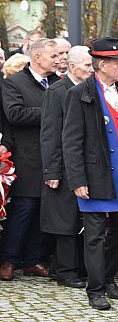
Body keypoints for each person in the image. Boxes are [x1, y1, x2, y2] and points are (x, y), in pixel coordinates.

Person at [62, 37, 118, 310]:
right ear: (103, 64)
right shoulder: (79, 93)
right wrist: (78, 180)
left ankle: (108, 277)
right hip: (94, 175)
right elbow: (71, 141)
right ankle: (95, 289)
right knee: (94, 234)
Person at [0, 38, 60, 282]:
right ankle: (9, 260)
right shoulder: (15, 83)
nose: (58, 60)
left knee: (42, 212)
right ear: (37, 57)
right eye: (53, 56)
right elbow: (15, 114)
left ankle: (33, 260)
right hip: (27, 157)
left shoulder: (58, 83)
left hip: (53, 158)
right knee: (23, 210)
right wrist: (52, 113)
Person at [40, 46, 93, 288]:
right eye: (87, 66)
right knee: (65, 220)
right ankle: (64, 270)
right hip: (62, 165)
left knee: (82, 219)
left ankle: (81, 267)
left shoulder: (90, 89)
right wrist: (52, 170)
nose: (91, 70)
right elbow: (49, 134)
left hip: (84, 164)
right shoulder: (57, 91)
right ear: (72, 67)